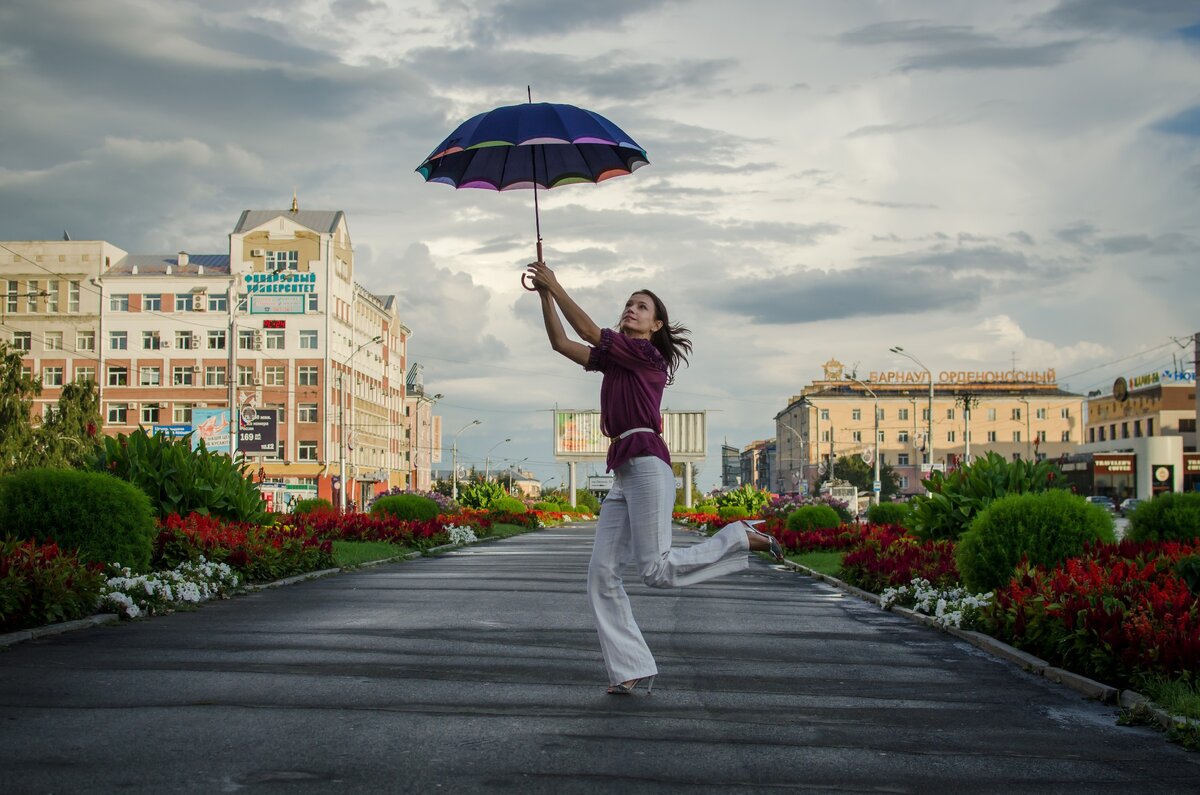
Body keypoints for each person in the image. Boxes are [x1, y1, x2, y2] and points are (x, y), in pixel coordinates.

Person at [526, 261, 784, 696]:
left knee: (656, 571)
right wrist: (544, 296)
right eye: (628, 304)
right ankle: (629, 667)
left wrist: (556, 282)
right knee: (601, 575)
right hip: (626, 469)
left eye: (641, 306)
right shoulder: (617, 360)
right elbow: (559, 342)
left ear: (656, 324)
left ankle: (738, 537)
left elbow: (589, 331)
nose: (631, 309)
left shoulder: (648, 355)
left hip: (647, 462)